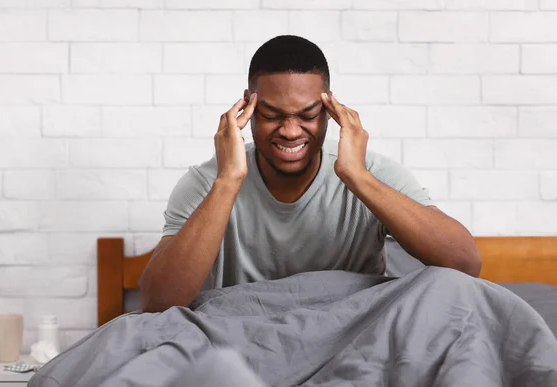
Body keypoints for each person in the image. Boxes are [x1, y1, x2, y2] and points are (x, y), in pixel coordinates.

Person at [140, 35, 481, 313]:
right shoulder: (208, 182)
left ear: (330, 110)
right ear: (247, 108)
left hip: (353, 339)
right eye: (272, 114)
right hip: (243, 337)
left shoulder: (372, 173)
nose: (290, 131)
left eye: (307, 115)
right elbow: (158, 302)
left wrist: (357, 177)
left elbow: (463, 264)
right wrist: (228, 182)